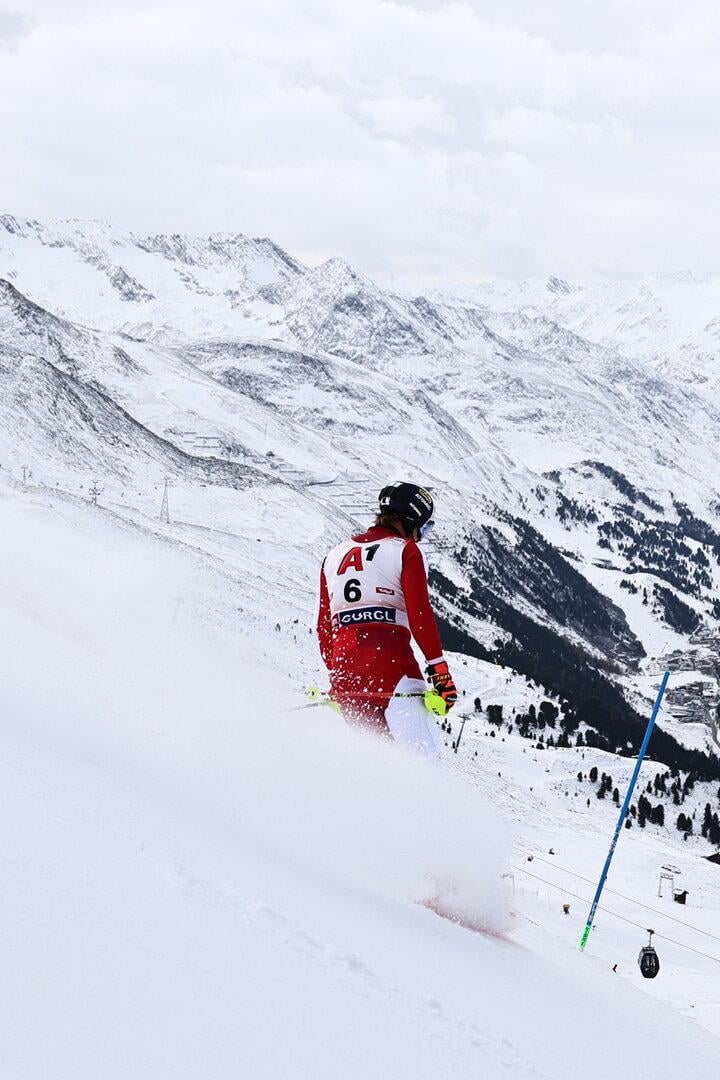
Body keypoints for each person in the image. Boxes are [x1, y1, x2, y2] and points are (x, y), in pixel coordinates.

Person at [316, 481, 458, 754]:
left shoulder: (333, 556)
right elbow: (420, 614)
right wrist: (439, 672)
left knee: (377, 769)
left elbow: (323, 627)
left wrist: (336, 676)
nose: (422, 535)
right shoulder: (405, 550)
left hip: (347, 679)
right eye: (424, 526)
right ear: (410, 519)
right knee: (424, 767)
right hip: (393, 669)